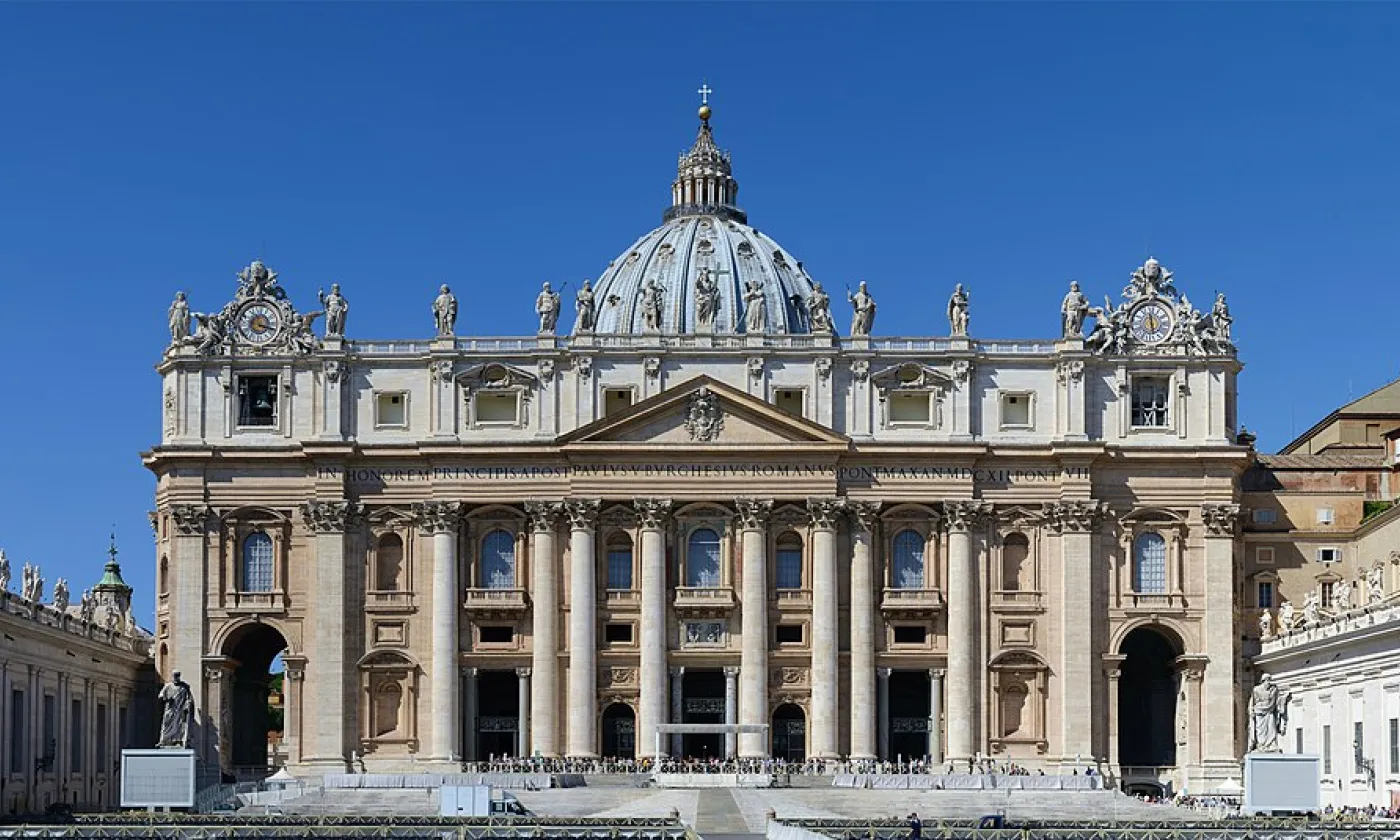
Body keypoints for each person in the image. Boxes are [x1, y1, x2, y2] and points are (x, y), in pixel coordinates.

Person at [158, 671, 195, 748]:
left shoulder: (184, 687)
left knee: (179, 725)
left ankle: (177, 740)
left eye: (177, 676)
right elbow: (160, 696)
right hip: (170, 710)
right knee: (166, 724)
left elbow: (189, 698)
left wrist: (187, 705)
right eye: (174, 676)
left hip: (180, 710)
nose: (175, 677)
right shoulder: (168, 686)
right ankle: (164, 740)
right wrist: (167, 698)